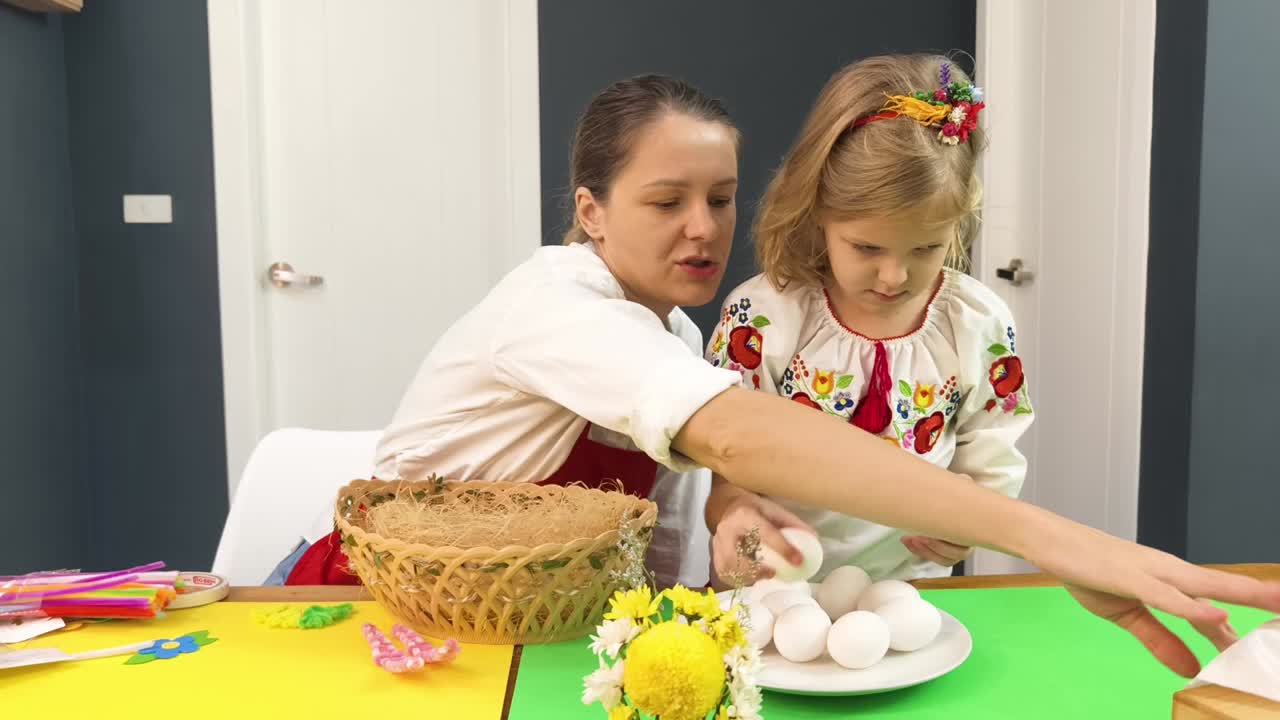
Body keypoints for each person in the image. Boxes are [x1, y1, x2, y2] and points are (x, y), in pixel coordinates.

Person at [277, 72, 1280, 679]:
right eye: (665, 200)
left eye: (718, 197)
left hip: (536, 631)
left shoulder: (673, 340)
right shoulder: (552, 304)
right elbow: (733, 433)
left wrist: (731, 528)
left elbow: (694, 499)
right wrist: (1059, 543)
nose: (701, 228)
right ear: (589, 211)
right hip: (381, 616)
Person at [706, 55, 1028, 586]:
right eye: (866, 247)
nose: (894, 276)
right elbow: (720, 473)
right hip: (776, 593)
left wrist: (974, 523)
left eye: (926, 248)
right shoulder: (761, 318)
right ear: (818, 212)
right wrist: (735, 510)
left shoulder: (978, 323)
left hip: (914, 593)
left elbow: (993, 455)